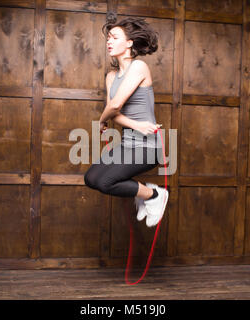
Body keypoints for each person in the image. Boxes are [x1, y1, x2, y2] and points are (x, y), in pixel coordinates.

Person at [83, 17, 169, 227]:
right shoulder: (111, 76)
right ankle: (143, 194)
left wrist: (101, 121)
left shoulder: (138, 67)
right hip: (127, 145)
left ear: (129, 43)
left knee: (105, 182)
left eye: (114, 37)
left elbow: (113, 107)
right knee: (91, 179)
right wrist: (135, 124)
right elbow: (115, 114)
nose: (109, 42)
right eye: (108, 38)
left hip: (148, 147)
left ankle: (154, 195)